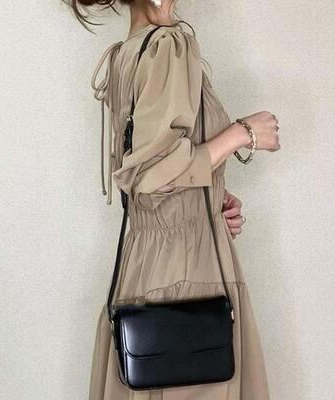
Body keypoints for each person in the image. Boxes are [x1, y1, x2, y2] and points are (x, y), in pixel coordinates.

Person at [65, 1, 280, 399]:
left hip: (151, 261)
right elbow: (152, 171)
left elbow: (147, 171)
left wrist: (209, 199)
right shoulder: (167, 46)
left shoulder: (130, 50)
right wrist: (242, 134)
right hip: (184, 272)